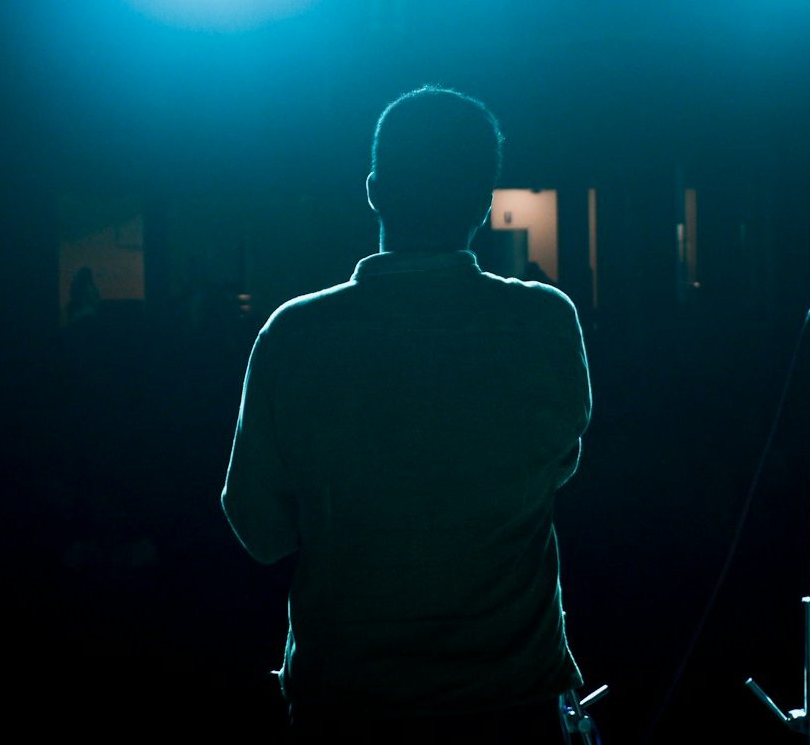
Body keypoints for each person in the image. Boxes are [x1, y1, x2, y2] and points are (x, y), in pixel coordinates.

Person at [222, 85, 592, 743]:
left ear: (374, 191)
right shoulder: (543, 324)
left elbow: (260, 529)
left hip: (347, 702)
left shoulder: (294, 335)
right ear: (483, 204)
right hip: (511, 700)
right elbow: (556, 467)